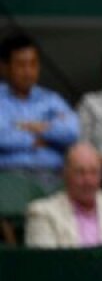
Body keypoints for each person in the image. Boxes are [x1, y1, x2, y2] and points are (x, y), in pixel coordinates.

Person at [24, 142, 102, 250]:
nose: (88, 180)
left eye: (94, 172)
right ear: (65, 174)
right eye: (80, 172)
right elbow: (45, 267)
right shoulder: (42, 213)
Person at [0, 33, 79, 192]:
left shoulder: (51, 99)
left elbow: (72, 131)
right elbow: (3, 137)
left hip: (53, 176)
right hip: (9, 176)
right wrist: (42, 137)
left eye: (33, 64)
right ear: (5, 67)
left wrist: (27, 127)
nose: (28, 71)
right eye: (21, 65)